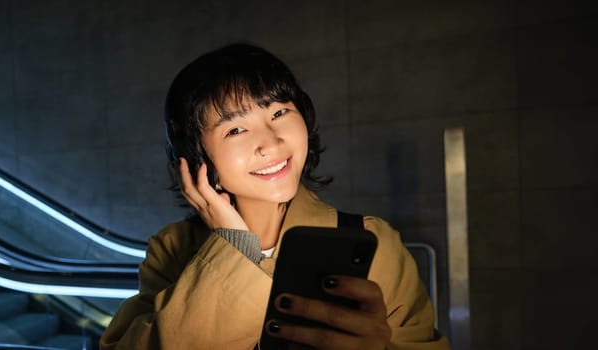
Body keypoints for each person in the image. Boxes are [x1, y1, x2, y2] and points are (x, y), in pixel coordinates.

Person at [100, 43, 449, 350]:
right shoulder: (172, 248)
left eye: (280, 112)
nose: (271, 141)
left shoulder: (373, 242)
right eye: (236, 129)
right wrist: (235, 245)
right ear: (198, 158)